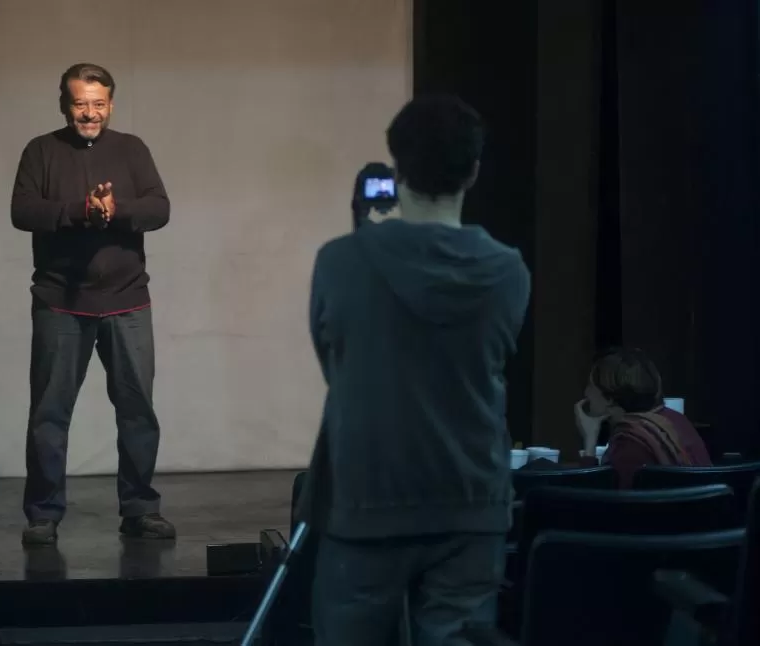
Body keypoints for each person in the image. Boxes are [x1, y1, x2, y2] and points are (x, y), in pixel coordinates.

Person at [298, 95, 531, 645]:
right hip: (470, 505)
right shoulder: (508, 272)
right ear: (473, 172)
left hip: (366, 502)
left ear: (397, 169)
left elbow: (337, 367)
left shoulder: (339, 261)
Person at [11, 63, 175, 545]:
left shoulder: (132, 149)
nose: (90, 113)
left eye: (99, 103)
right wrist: (80, 211)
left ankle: (140, 508)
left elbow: (159, 207)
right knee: (49, 414)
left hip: (128, 301)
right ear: (64, 104)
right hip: (60, 301)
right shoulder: (41, 151)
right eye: (81, 103)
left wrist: (115, 209)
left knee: (138, 411)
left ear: (111, 105)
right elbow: (23, 210)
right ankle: (43, 514)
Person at [575, 347, 711, 487]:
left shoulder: (629, 443)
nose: (586, 393)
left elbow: (592, 496)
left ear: (609, 398)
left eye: (590, 386)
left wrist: (589, 443)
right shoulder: (677, 420)